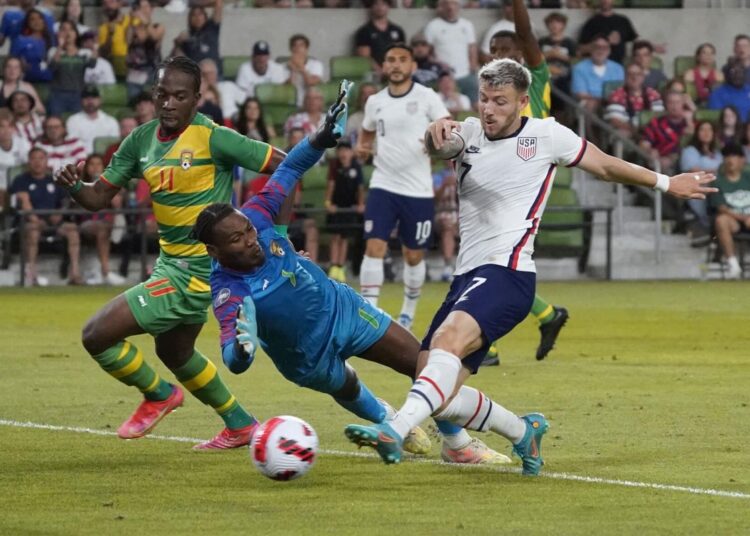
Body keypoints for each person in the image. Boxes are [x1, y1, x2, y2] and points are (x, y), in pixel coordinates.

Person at [343, 58, 715, 471]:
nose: (488, 109)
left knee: (446, 344)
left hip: (509, 274)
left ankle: (393, 430)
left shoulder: (546, 135)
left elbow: (607, 165)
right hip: (467, 276)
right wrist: (434, 134)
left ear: (522, 102)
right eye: (484, 99)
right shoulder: (467, 133)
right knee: (433, 383)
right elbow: (440, 145)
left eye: (499, 101)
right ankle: (524, 433)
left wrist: (667, 183)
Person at [196, 89, 507, 465]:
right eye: (237, 240)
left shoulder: (258, 217)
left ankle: (457, 444)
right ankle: (387, 417)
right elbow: (233, 356)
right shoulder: (227, 290)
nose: (250, 240)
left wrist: (320, 137)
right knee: (348, 386)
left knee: (422, 364)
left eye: (247, 229)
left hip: (343, 310)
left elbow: (289, 169)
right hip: (305, 357)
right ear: (215, 252)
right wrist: (242, 352)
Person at [52, 56, 286, 450]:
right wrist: (76, 186)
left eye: (180, 96)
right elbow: (96, 197)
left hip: (196, 272)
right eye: (162, 94)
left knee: (96, 335)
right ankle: (240, 424)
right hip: (170, 264)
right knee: (175, 352)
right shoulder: (140, 140)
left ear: (197, 99)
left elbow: (282, 164)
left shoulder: (215, 137)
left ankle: (159, 394)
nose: (169, 104)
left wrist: (272, 231)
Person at [483, 0, 567, 365]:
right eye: (494, 52)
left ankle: (486, 345)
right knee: (495, 261)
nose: (500, 56)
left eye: (507, 51)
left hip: (528, 181)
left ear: (521, 53)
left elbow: (527, 33)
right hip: (500, 183)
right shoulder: (491, 99)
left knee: (491, 261)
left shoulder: (534, 81)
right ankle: (547, 315)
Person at [356, 43, 450, 330]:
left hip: (418, 189)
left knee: (413, 254)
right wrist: (364, 148)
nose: (396, 65)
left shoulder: (427, 97)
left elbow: (447, 125)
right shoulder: (375, 101)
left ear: (412, 66)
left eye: (402, 60)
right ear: (384, 66)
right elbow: (367, 133)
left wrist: (437, 141)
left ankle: (408, 311)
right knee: (373, 246)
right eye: (390, 60)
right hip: (383, 185)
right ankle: (368, 313)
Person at [12, 147, 82, 286]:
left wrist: (59, 213)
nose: (37, 162)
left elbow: (65, 202)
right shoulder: (21, 180)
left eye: (41, 158)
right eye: (34, 158)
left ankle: (75, 273)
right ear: (28, 162)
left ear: (47, 161)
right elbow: (22, 201)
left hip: (54, 223)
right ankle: (31, 274)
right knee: (32, 230)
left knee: (72, 229)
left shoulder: (55, 180)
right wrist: (34, 218)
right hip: (31, 222)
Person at [75, 154, 126, 286]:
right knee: (102, 228)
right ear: (86, 168)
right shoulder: (80, 183)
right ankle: (105, 271)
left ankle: (103, 271)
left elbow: (118, 207)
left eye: (98, 164)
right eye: (92, 164)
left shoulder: (112, 183)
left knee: (105, 228)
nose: (95, 168)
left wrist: (116, 199)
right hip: (85, 222)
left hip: (108, 223)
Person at [325, 140, 365, 283]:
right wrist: (328, 203)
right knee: (335, 237)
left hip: (349, 208)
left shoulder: (356, 167)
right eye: (341, 150)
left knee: (344, 237)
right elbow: (330, 185)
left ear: (351, 152)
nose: (343, 153)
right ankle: (333, 266)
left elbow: (360, 188)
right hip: (336, 207)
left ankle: (341, 267)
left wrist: (360, 204)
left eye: (346, 150)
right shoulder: (334, 166)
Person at [424, 0, 479, 102]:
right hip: (443, 76)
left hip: (465, 74)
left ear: (458, 6)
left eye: (454, 4)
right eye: (446, 4)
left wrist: (473, 66)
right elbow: (427, 51)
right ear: (440, 7)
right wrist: (438, 64)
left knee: (474, 104)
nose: (450, 7)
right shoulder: (433, 26)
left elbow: (472, 47)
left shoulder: (467, 25)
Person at [710, 143, 750, 279]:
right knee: (721, 220)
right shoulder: (718, 182)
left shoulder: (748, 177)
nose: (729, 159)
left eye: (733, 156)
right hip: (733, 222)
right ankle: (733, 264)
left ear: (742, 160)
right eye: (726, 156)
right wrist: (744, 218)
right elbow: (722, 208)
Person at [680, 121, 722, 240]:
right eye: (702, 130)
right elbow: (694, 172)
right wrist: (716, 171)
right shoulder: (690, 151)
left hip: (717, 187)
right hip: (699, 189)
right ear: (697, 133)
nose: (706, 133)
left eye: (709, 130)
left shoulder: (717, 153)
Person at [47, 21, 97, 116]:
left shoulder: (84, 52)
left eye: (71, 30)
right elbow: (53, 67)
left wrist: (94, 47)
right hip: (57, 94)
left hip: (78, 94)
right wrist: (60, 47)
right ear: (59, 33)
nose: (67, 33)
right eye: (64, 30)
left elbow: (92, 64)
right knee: (55, 119)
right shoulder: (53, 51)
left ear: (76, 34)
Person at [604, 62, 664, 140]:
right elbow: (615, 120)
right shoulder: (617, 95)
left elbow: (659, 115)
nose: (634, 77)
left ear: (643, 77)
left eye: (638, 74)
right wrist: (636, 130)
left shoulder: (653, 94)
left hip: (649, 130)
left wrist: (647, 130)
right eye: (630, 74)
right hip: (627, 129)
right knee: (621, 134)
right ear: (625, 77)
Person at [640, 91, 693, 176]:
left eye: (677, 102)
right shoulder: (656, 123)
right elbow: (644, 144)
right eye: (671, 102)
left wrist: (689, 122)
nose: (674, 106)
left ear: (683, 104)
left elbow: (698, 140)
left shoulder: (690, 123)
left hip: (686, 160)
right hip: (661, 160)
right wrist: (649, 150)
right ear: (665, 105)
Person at [571, 34, 624, 114]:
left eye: (604, 48)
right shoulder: (580, 68)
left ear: (609, 50)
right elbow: (581, 94)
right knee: (590, 103)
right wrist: (601, 100)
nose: (601, 51)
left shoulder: (618, 68)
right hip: (590, 102)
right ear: (591, 49)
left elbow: (620, 91)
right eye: (597, 47)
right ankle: (589, 127)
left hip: (613, 102)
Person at [124, 0, 164, 101]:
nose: (142, 10)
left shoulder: (158, 26)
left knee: (153, 103)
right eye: (140, 7)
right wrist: (131, 19)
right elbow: (127, 41)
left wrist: (145, 21)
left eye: (145, 7)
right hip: (135, 73)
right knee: (134, 102)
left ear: (151, 9)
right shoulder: (132, 29)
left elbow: (154, 37)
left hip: (152, 72)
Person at [578, 0, 637, 65]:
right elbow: (581, 49)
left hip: (619, 65)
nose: (605, 1)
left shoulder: (623, 20)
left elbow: (634, 42)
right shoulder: (591, 22)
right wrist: (606, 41)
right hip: (597, 65)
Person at [65, 85, 120, 155]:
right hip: (80, 160)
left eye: (94, 97)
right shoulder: (73, 120)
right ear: (81, 100)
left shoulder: (111, 122)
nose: (90, 101)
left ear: (100, 100)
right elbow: (71, 146)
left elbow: (114, 148)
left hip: (103, 161)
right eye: (86, 98)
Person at [354, 0, 405, 73]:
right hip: (374, 73)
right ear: (371, 7)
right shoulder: (364, 31)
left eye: (383, 4)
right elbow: (364, 57)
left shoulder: (397, 30)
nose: (380, 7)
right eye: (376, 4)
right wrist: (380, 71)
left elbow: (402, 53)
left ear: (388, 6)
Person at [172, 0, 223, 74]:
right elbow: (178, 60)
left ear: (205, 16)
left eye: (200, 14)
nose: (197, 17)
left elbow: (218, 3)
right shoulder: (186, 36)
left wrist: (191, 3)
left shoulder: (212, 28)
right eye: (194, 15)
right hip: (196, 77)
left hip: (214, 75)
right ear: (190, 19)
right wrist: (178, 44)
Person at [10, 8, 54, 83]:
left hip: (50, 84)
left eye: (40, 18)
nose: (37, 22)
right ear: (28, 23)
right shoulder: (20, 40)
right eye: (32, 19)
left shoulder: (52, 40)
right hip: (26, 82)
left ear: (44, 21)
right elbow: (11, 61)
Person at [538, 11, 576, 97]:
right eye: (551, 22)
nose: (554, 25)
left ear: (563, 25)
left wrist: (560, 56)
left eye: (558, 22)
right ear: (547, 25)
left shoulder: (569, 42)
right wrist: (549, 54)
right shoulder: (542, 41)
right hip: (545, 73)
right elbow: (535, 59)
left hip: (563, 76)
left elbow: (575, 61)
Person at [283, 34, 324, 108]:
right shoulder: (284, 66)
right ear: (291, 49)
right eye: (294, 46)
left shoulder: (316, 64)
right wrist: (293, 70)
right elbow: (287, 88)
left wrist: (301, 68)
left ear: (306, 49)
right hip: (289, 104)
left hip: (309, 105)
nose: (297, 48)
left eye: (301, 45)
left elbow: (311, 83)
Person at [0, 109, 30, 209]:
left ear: (14, 128)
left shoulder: (23, 144)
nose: (6, 130)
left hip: (18, 186)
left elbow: (29, 167)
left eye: (9, 126)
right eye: (1, 126)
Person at [432, 165, 457, 282]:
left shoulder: (464, 170)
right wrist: (444, 185)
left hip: (461, 212)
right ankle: (448, 267)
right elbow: (434, 198)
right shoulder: (437, 175)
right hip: (442, 212)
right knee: (447, 226)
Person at [97, 0, 134, 78]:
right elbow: (103, 53)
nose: (109, 6)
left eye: (111, 2)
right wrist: (110, 35)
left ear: (119, 4)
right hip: (113, 66)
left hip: (133, 66)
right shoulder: (103, 28)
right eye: (105, 4)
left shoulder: (130, 20)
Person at [708, 58, 750, 123]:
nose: (738, 75)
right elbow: (717, 120)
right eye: (733, 72)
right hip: (731, 130)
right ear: (726, 75)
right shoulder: (717, 93)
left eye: (741, 71)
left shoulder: (748, 89)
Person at [479, 0, 516, 65]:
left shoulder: (529, 26)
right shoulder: (495, 29)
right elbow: (484, 56)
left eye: (515, 4)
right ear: (503, 8)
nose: (513, 8)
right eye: (509, 5)